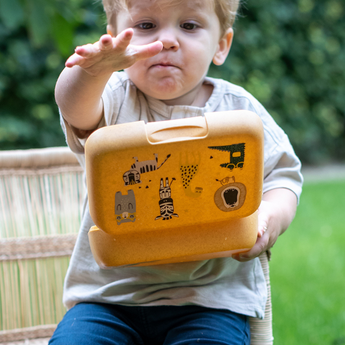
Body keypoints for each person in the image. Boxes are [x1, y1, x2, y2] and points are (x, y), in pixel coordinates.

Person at [50, 0, 303, 344]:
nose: (168, 40)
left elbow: (283, 176)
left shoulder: (239, 111)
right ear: (115, 38)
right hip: (107, 299)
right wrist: (92, 71)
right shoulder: (113, 98)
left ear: (221, 45)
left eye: (189, 26)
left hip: (210, 301)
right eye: (146, 26)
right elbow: (73, 106)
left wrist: (269, 216)